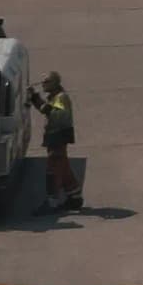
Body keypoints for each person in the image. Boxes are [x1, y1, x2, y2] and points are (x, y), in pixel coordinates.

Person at [37, 73, 81, 211]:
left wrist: (36, 99)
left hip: (58, 137)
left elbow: (55, 115)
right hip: (54, 137)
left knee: (53, 171)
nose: (43, 84)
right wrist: (34, 98)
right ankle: (75, 197)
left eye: (46, 81)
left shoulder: (61, 97)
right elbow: (46, 110)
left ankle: (52, 202)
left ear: (55, 83)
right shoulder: (54, 97)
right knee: (64, 168)